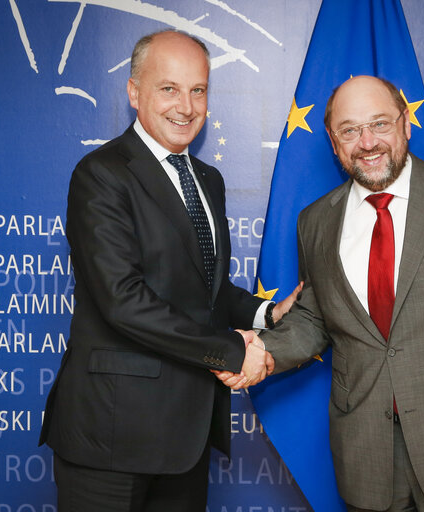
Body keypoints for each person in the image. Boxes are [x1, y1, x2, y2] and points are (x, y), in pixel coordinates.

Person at [218, 75, 424, 511]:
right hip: (368, 462)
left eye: (379, 124)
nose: (367, 142)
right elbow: (315, 319)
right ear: (333, 142)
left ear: (405, 123)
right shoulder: (315, 222)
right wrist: (262, 350)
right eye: (350, 130)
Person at [39, 30, 295, 511]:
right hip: (112, 439)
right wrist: (230, 352)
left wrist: (269, 313)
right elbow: (124, 300)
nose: (187, 105)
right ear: (135, 93)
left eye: (198, 90)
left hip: (186, 437)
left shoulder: (207, 180)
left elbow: (204, 292)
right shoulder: (101, 174)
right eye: (169, 88)